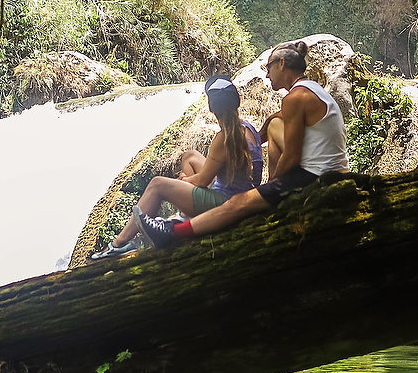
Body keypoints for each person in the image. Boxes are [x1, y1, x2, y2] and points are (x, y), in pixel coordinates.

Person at [135, 40, 347, 249]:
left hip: (316, 175)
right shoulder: (311, 90)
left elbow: (292, 156)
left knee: (238, 203)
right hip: (330, 169)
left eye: (268, 67)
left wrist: (270, 186)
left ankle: (172, 233)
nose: (266, 74)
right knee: (274, 124)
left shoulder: (296, 97)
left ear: (281, 63)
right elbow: (274, 123)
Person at [88, 75, 263, 260]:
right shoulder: (248, 129)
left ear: (212, 107)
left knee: (157, 185)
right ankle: (184, 214)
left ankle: (119, 244)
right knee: (190, 156)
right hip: (241, 195)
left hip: (225, 203)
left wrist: (186, 181)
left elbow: (203, 180)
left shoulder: (225, 138)